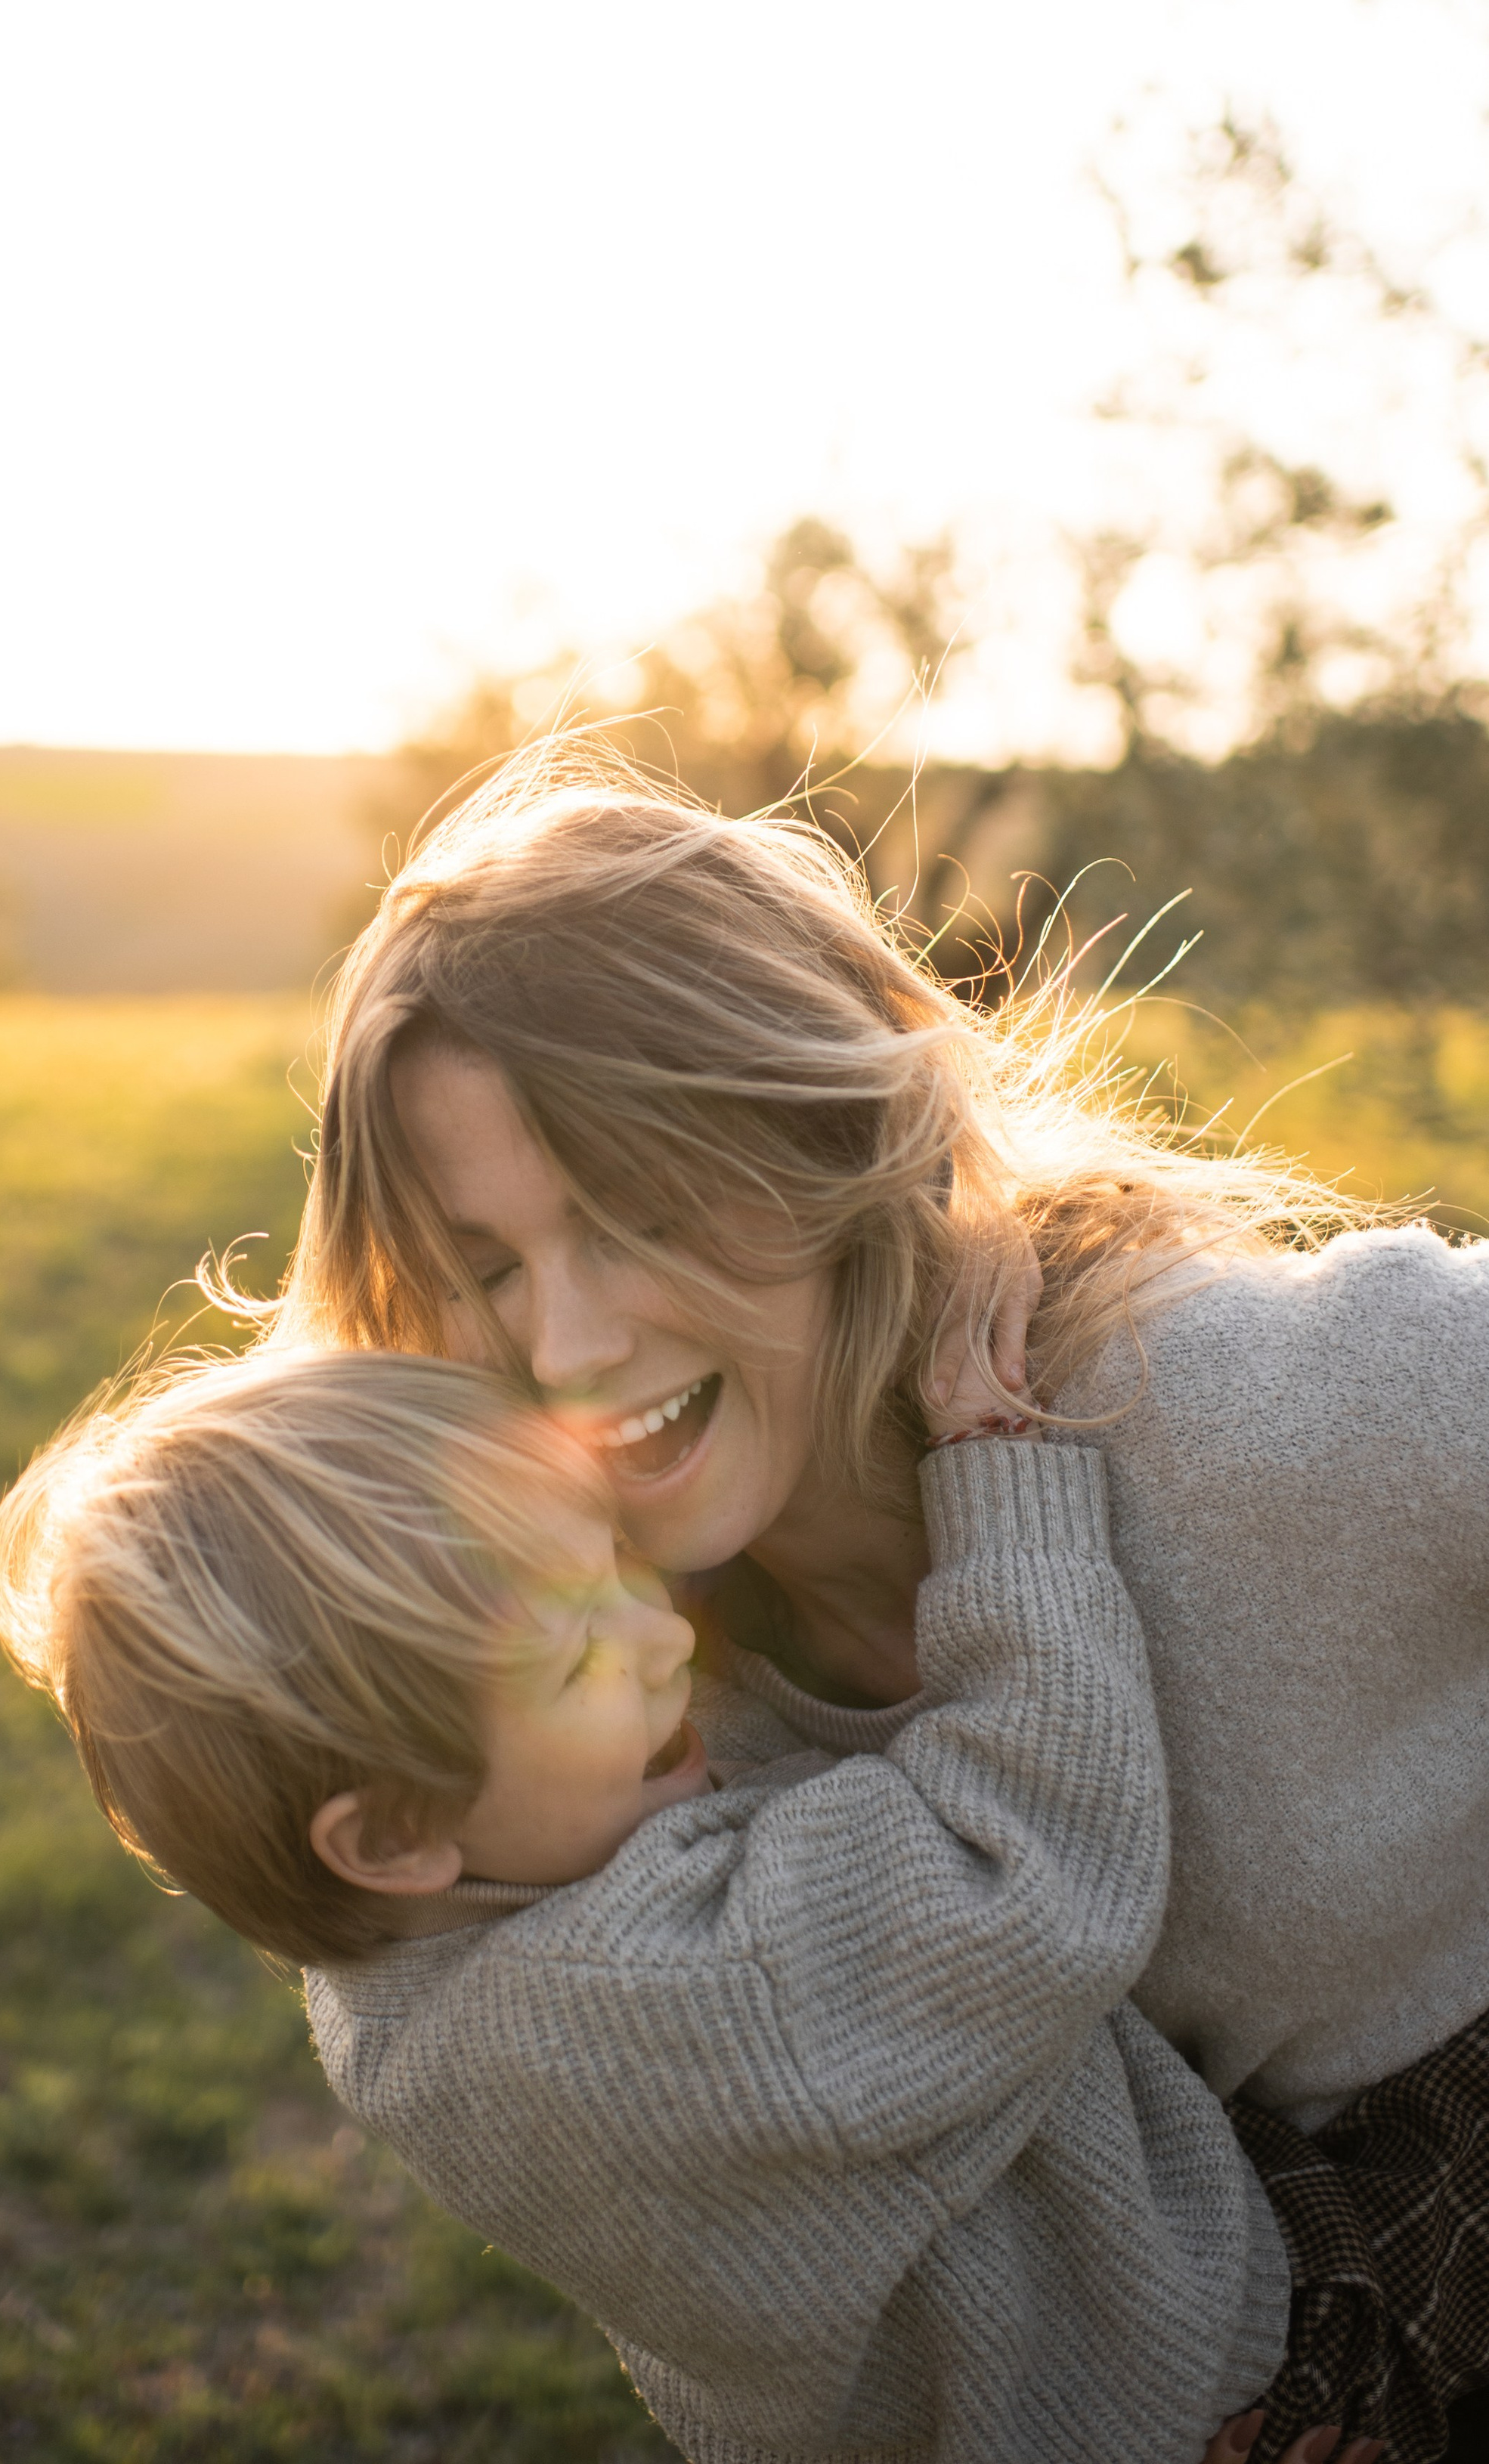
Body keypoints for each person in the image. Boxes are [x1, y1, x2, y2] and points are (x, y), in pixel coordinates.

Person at [261, 743, 1489, 2452]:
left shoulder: (1206, 1407)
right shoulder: (638, 1717)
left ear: (822, 1122)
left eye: (625, 1212)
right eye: (485, 1268)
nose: (566, 1344)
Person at [0, 1339, 1357, 2464]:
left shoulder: (420, 1949)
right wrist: (1004, 1478)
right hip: (1233, 2377)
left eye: (620, 1569)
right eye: (586, 1653)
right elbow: (1034, 1854)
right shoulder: (650, 2000)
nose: (663, 1637)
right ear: (395, 1833)